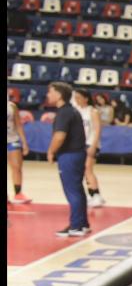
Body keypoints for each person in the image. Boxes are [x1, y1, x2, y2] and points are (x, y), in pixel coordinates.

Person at [45, 82, 90, 237]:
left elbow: (59, 136)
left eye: (50, 92)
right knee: (77, 189)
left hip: (69, 155)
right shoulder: (72, 111)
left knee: (72, 191)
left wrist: (51, 151)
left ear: (59, 95)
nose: (47, 95)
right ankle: (83, 224)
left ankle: (76, 226)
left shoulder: (64, 113)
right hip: (77, 153)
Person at [72, 87, 105, 207]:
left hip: (91, 143)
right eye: (75, 98)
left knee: (88, 169)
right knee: (82, 171)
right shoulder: (76, 110)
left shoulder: (93, 111)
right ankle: (91, 194)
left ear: (86, 98)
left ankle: (96, 195)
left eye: (79, 97)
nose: (77, 100)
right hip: (80, 144)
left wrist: (94, 145)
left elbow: (97, 129)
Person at [8, 97, 31, 204]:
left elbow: (18, 125)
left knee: (17, 167)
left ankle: (18, 194)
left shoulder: (12, 106)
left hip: (12, 140)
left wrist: (24, 143)